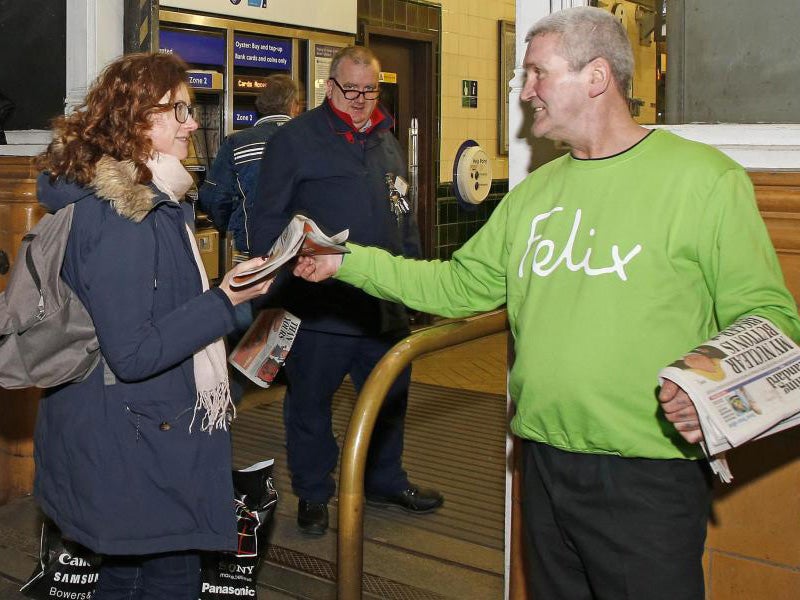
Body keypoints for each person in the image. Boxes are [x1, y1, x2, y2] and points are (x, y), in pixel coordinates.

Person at [292, 7, 800, 599]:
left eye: (537, 73)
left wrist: (705, 385)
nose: (526, 92)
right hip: (544, 465)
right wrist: (345, 261)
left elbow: (770, 317)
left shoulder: (703, 181)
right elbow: (458, 286)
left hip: (649, 476)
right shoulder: (535, 196)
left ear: (597, 77)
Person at [33, 52, 274, 599]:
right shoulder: (126, 216)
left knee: (128, 571)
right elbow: (134, 352)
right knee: (165, 577)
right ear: (139, 120)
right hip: (136, 437)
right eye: (180, 110)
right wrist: (226, 298)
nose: (193, 123)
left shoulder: (153, 201)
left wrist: (225, 293)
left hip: (133, 430)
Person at [249, 45, 443, 535]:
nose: (360, 100)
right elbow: (269, 219)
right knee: (310, 404)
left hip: (382, 305)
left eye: (369, 90)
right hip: (320, 309)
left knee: (390, 397)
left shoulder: (386, 138)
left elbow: (402, 214)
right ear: (329, 86)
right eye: (350, 90)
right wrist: (272, 282)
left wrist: (414, 285)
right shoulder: (295, 140)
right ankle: (314, 493)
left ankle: (384, 478)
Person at [198, 74, 302, 256]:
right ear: (294, 106)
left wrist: (235, 227)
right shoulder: (309, 142)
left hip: (250, 253)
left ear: (259, 105)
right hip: (300, 254)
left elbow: (213, 198)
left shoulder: (237, 143)